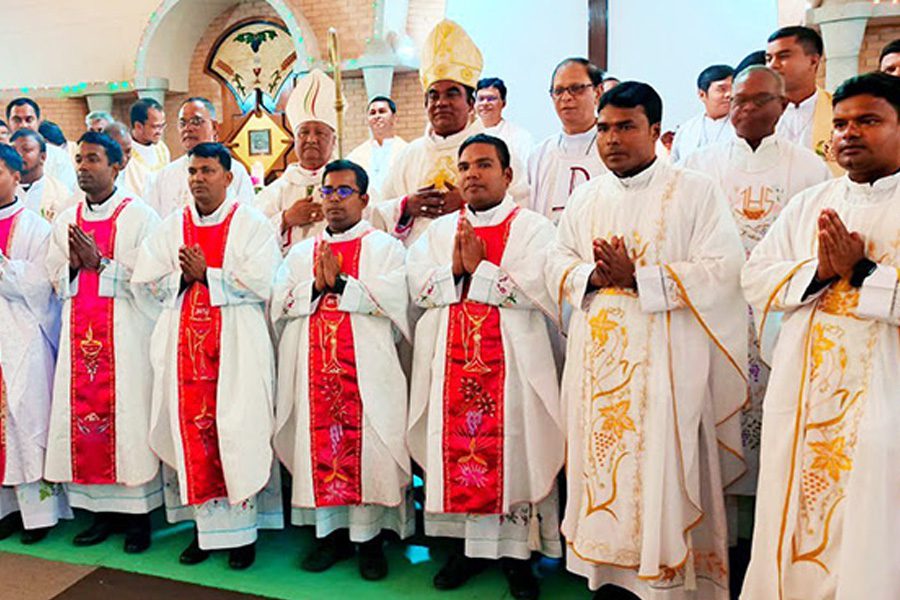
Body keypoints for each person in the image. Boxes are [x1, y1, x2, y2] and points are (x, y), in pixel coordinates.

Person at [547, 82, 746, 599]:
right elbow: (556, 261)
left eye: (626, 126)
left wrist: (641, 278)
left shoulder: (694, 191)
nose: (612, 139)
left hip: (666, 367)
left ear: (655, 130)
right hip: (597, 366)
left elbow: (724, 269)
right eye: (604, 129)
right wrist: (592, 275)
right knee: (603, 469)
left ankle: (665, 583)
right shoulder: (587, 197)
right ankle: (607, 577)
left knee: (660, 472)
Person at [740, 71, 900, 600]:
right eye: (842, 123)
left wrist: (864, 273)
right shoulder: (814, 202)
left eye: (869, 121)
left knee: (873, 523)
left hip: (884, 399)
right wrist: (818, 273)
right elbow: (757, 274)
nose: (849, 133)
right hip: (805, 399)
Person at [408, 134, 563, 600]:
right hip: (450, 367)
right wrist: (455, 272)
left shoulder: (535, 229)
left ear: (507, 175)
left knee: (514, 453)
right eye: (465, 167)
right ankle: (464, 551)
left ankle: (518, 558)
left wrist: (481, 271)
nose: (472, 174)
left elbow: (542, 289)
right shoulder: (436, 233)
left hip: (511, 368)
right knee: (454, 453)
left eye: (483, 165)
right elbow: (416, 286)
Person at [681, 66, 830, 504]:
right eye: (737, 100)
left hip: (778, 313)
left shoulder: (808, 168)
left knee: (773, 420)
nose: (744, 109)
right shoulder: (698, 166)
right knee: (716, 412)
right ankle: (720, 533)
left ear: (782, 107)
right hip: (716, 311)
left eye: (758, 100)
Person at [133, 142, 282, 570]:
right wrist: (182, 277)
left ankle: (243, 535)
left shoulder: (251, 224)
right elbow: (146, 281)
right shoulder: (171, 227)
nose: (198, 179)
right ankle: (205, 532)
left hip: (237, 348)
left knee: (239, 432)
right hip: (183, 350)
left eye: (208, 171)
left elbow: (264, 281)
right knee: (194, 434)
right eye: (193, 171)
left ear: (229, 177)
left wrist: (209, 276)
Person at [271, 159, 412, 581]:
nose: (333, 200)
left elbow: (399, 301)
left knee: (370, 451)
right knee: (320, 451)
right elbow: (277, 303)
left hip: (366, 373)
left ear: (364, 199)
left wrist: (344, 287)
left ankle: (370, 542)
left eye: (344, 191)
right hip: (313, 374)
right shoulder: (300, 252)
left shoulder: (386, 248)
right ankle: (329, 537)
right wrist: (315, 286)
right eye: (327, 191)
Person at [44, 131, 162, 553]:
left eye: (93, 159)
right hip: (80, 339)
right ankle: (99, 515)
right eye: (79, 160)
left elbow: (155, 281)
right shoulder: (66, 218)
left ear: (117, 166)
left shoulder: (140, 216)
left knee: (127, 420)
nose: (83, 167)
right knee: (84, 423)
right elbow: (51, 274)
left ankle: (138, 519)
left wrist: (102, 264)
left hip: (126, 340)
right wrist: (73, 270)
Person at [372, 19, 528, 246]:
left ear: (470, 102)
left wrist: (471, 201)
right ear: (425, 104)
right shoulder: (409, 155)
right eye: (434, 95)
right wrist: (407, 206)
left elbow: (521, 207)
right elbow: (378, 215)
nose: (441, 102)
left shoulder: (496, 150)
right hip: (419, 272)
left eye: (452, 93)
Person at [0, 143, 71, 544]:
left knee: (26, 420)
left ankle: (39, 513)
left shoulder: (36, 227)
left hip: (25, 338)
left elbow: (41, 284)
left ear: (15, 175)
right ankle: (6, 509)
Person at [255, 69, 339, 253]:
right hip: (289, 278)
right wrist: (286, 219)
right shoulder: (274, 192)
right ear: (294, 139)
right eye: (304, 132)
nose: (311, 139)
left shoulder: (348, 186)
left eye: (320, 133)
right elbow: (251, 239)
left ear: (334, 141)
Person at [144, 97, 254, 217]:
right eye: (182, 123)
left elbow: (246, 220)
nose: (188, 128)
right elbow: (153, 223)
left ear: (215, 127)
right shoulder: (165, 176)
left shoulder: (235, 171)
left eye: (196, 121)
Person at [528, 57, 606, 224]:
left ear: (598, 92)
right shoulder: (539, 155)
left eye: (576, 88)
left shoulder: (613, 148)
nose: (566, 97)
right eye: (558, 91)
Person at [766, 26, 841, 175]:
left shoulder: (839, 109)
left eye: (783, 56)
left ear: (813, 61)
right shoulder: (760, 112)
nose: (772, 65)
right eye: (769, 58)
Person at [6, 98, 77, 192]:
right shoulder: (2, 155)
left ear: (38, 122)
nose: (23, 125)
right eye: (17, 120)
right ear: (8, 123)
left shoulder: (58, 156)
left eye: (29, 120)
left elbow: (68, 192)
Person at [670, 65, 735, 163]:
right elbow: (675, 167)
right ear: (702, 94)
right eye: (722, 89)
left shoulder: (743, 127)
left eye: (733, 88)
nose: (729, 94)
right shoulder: (686, 131)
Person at [346, 96, 407, 198]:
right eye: (372, 113)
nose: (377, 116)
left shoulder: (406, 151)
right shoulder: (356, 156)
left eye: (382, 111)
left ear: (394, 118)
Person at [11, 129, 73, 220]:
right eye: (13, 150)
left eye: (26, 150)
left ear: (43, 157)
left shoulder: (61, 194)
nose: (18, 155)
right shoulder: (4, 189)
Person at [475, 77, 534, 162]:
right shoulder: (465, 133)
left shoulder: (520, 137)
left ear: (503, 103)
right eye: (481, 99)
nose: (485, 103)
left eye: (491, 99)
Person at [103, 122, 149, 197]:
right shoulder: (92, 176)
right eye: (118, 151)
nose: (123, 158)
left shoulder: (143, 176)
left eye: (127, 151)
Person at [129, 98, 170, 175]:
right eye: (155, 127)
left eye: (162, 126)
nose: (160, 131)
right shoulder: (125, 153)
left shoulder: (162, 149)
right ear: (138, 126)